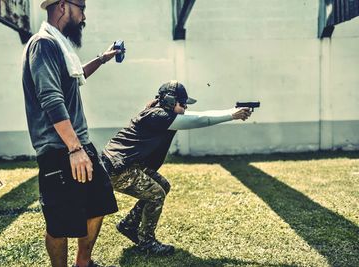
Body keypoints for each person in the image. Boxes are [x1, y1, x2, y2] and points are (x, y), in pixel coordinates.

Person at [101, 80, 252, 255]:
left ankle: (129, 225)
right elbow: (199, 119)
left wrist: (231, 112)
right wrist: (232, 115)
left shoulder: (161, 113)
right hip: (118, 167)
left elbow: (198, 115)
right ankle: (147, 241)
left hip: (126, 164)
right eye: (183, 104)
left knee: (163, 186)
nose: (185, 108)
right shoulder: (158, 116)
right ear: (170, 101)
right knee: (155, 194)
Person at [21, 1, 119, 266]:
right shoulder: (43, 44)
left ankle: (82, 263)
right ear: (63, 6)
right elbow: (51, 99)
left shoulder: (59, 45)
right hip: (59, 150)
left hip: (79, 144)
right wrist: (74, 150)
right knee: (60, 223)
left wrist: (102, 58)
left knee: (99, 205)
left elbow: (77, 77)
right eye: (81, 7)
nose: (83, 15)